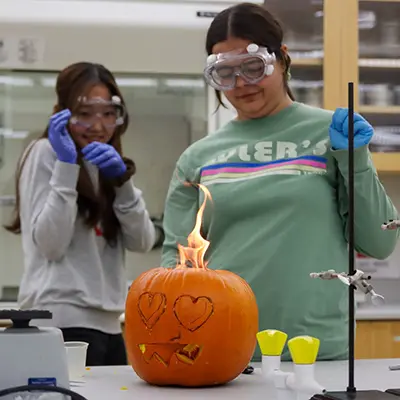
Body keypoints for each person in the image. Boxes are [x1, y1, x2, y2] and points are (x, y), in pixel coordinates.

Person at [160, 2, 399, 362]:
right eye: (225, 73)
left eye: (254, 67)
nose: (241, 84)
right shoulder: (198, 157)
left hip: (315, 349)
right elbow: (175, 264)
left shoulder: (331, 134)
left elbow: (379, 242)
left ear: (282, 59)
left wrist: (355, 160)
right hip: (224, 349)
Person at [4, 62, 161, 366]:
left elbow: (143, 241)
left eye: (107, 114)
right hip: (60, 320)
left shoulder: (106, 159)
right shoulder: (46, 152)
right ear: (64, 114)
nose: (98, 126)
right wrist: (66, 167)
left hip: (110, 322)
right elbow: (50, 244)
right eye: (84, 114)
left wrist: (122, 182)